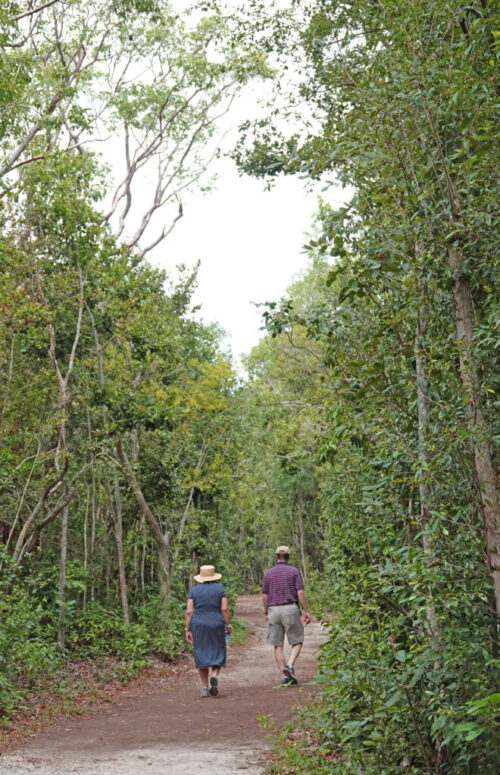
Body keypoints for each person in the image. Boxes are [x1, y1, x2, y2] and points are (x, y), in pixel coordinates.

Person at [262, 545, 311, 686]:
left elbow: (264, 596)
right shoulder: (294, 571)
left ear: (276, 557)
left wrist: (266, 612)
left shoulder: (268, 574)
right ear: (288, 557)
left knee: (277, 644)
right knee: (297, 640)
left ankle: (284, 676)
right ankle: (289, 665)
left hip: (274, 609)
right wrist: (307, 611)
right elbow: (300, 593)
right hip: (290, 608)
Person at [185, 564, 231, 697]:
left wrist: (187, 629)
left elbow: (189, 611)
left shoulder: (194, 590)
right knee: (218, 650)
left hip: (199, 624)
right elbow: (224, 609)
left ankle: (205, 687)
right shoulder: (220, 588)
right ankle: (215, 675)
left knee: (201, 652)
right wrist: (228, 626)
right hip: (216, 623)